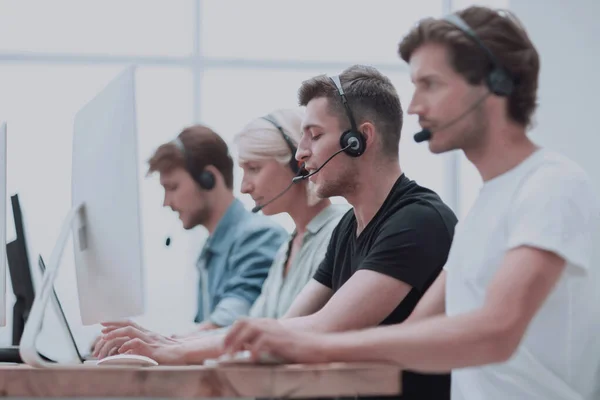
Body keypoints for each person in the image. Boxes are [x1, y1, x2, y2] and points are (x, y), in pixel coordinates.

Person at [222, 6, 600, 400]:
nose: (415, 106)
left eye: (430, 84)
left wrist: (316, 344)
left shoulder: (553, 185)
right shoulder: (486, 205)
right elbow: (413, 335)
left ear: (496, 84)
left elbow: (496, 332)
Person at [98, 65, 457, 400]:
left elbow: (321, 327)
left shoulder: (416, 221)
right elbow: (284, 325)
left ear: (359, 140)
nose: (301, 154)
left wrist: (171, 350)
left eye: (314, 136)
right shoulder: (349, 227)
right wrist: (169, 345)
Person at [94, 109, 347, 356]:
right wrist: (159, 343)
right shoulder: (286, 249)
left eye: (254, 168)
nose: (245, 187)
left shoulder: (334, 232)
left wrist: (167, 344)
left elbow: (269, 333)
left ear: (298, 166)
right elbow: (251, 330)